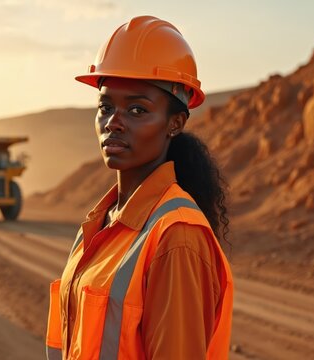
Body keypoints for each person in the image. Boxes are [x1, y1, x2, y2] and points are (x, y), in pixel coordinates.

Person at [45, 16, 234, 360]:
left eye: (136, 109)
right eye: (105, 106)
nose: (113, 123)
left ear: (174, 123)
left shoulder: (176, 238)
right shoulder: (99, 224)